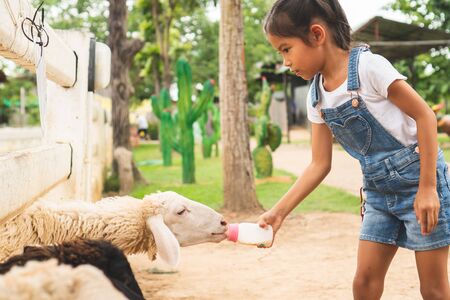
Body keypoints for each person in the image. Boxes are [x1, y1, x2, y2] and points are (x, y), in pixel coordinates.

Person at [257, 1, 450, 299]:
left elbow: (424, 115)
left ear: (317, 34)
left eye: (286, 49)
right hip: (378, 196)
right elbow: (319, 164)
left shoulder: (369, 67)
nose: (284, 61)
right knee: (364, 283)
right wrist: (279, 212)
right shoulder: (317, 98)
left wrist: (428, 188)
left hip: (421, 185)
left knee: (434, 290)